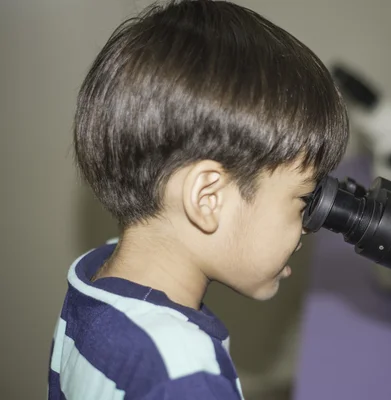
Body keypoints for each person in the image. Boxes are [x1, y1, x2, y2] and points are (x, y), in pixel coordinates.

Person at [47, 1, 348, 399]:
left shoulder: (94, 285)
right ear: (208, 198)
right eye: (302, 200)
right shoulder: (184, 376)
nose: (307, 227)